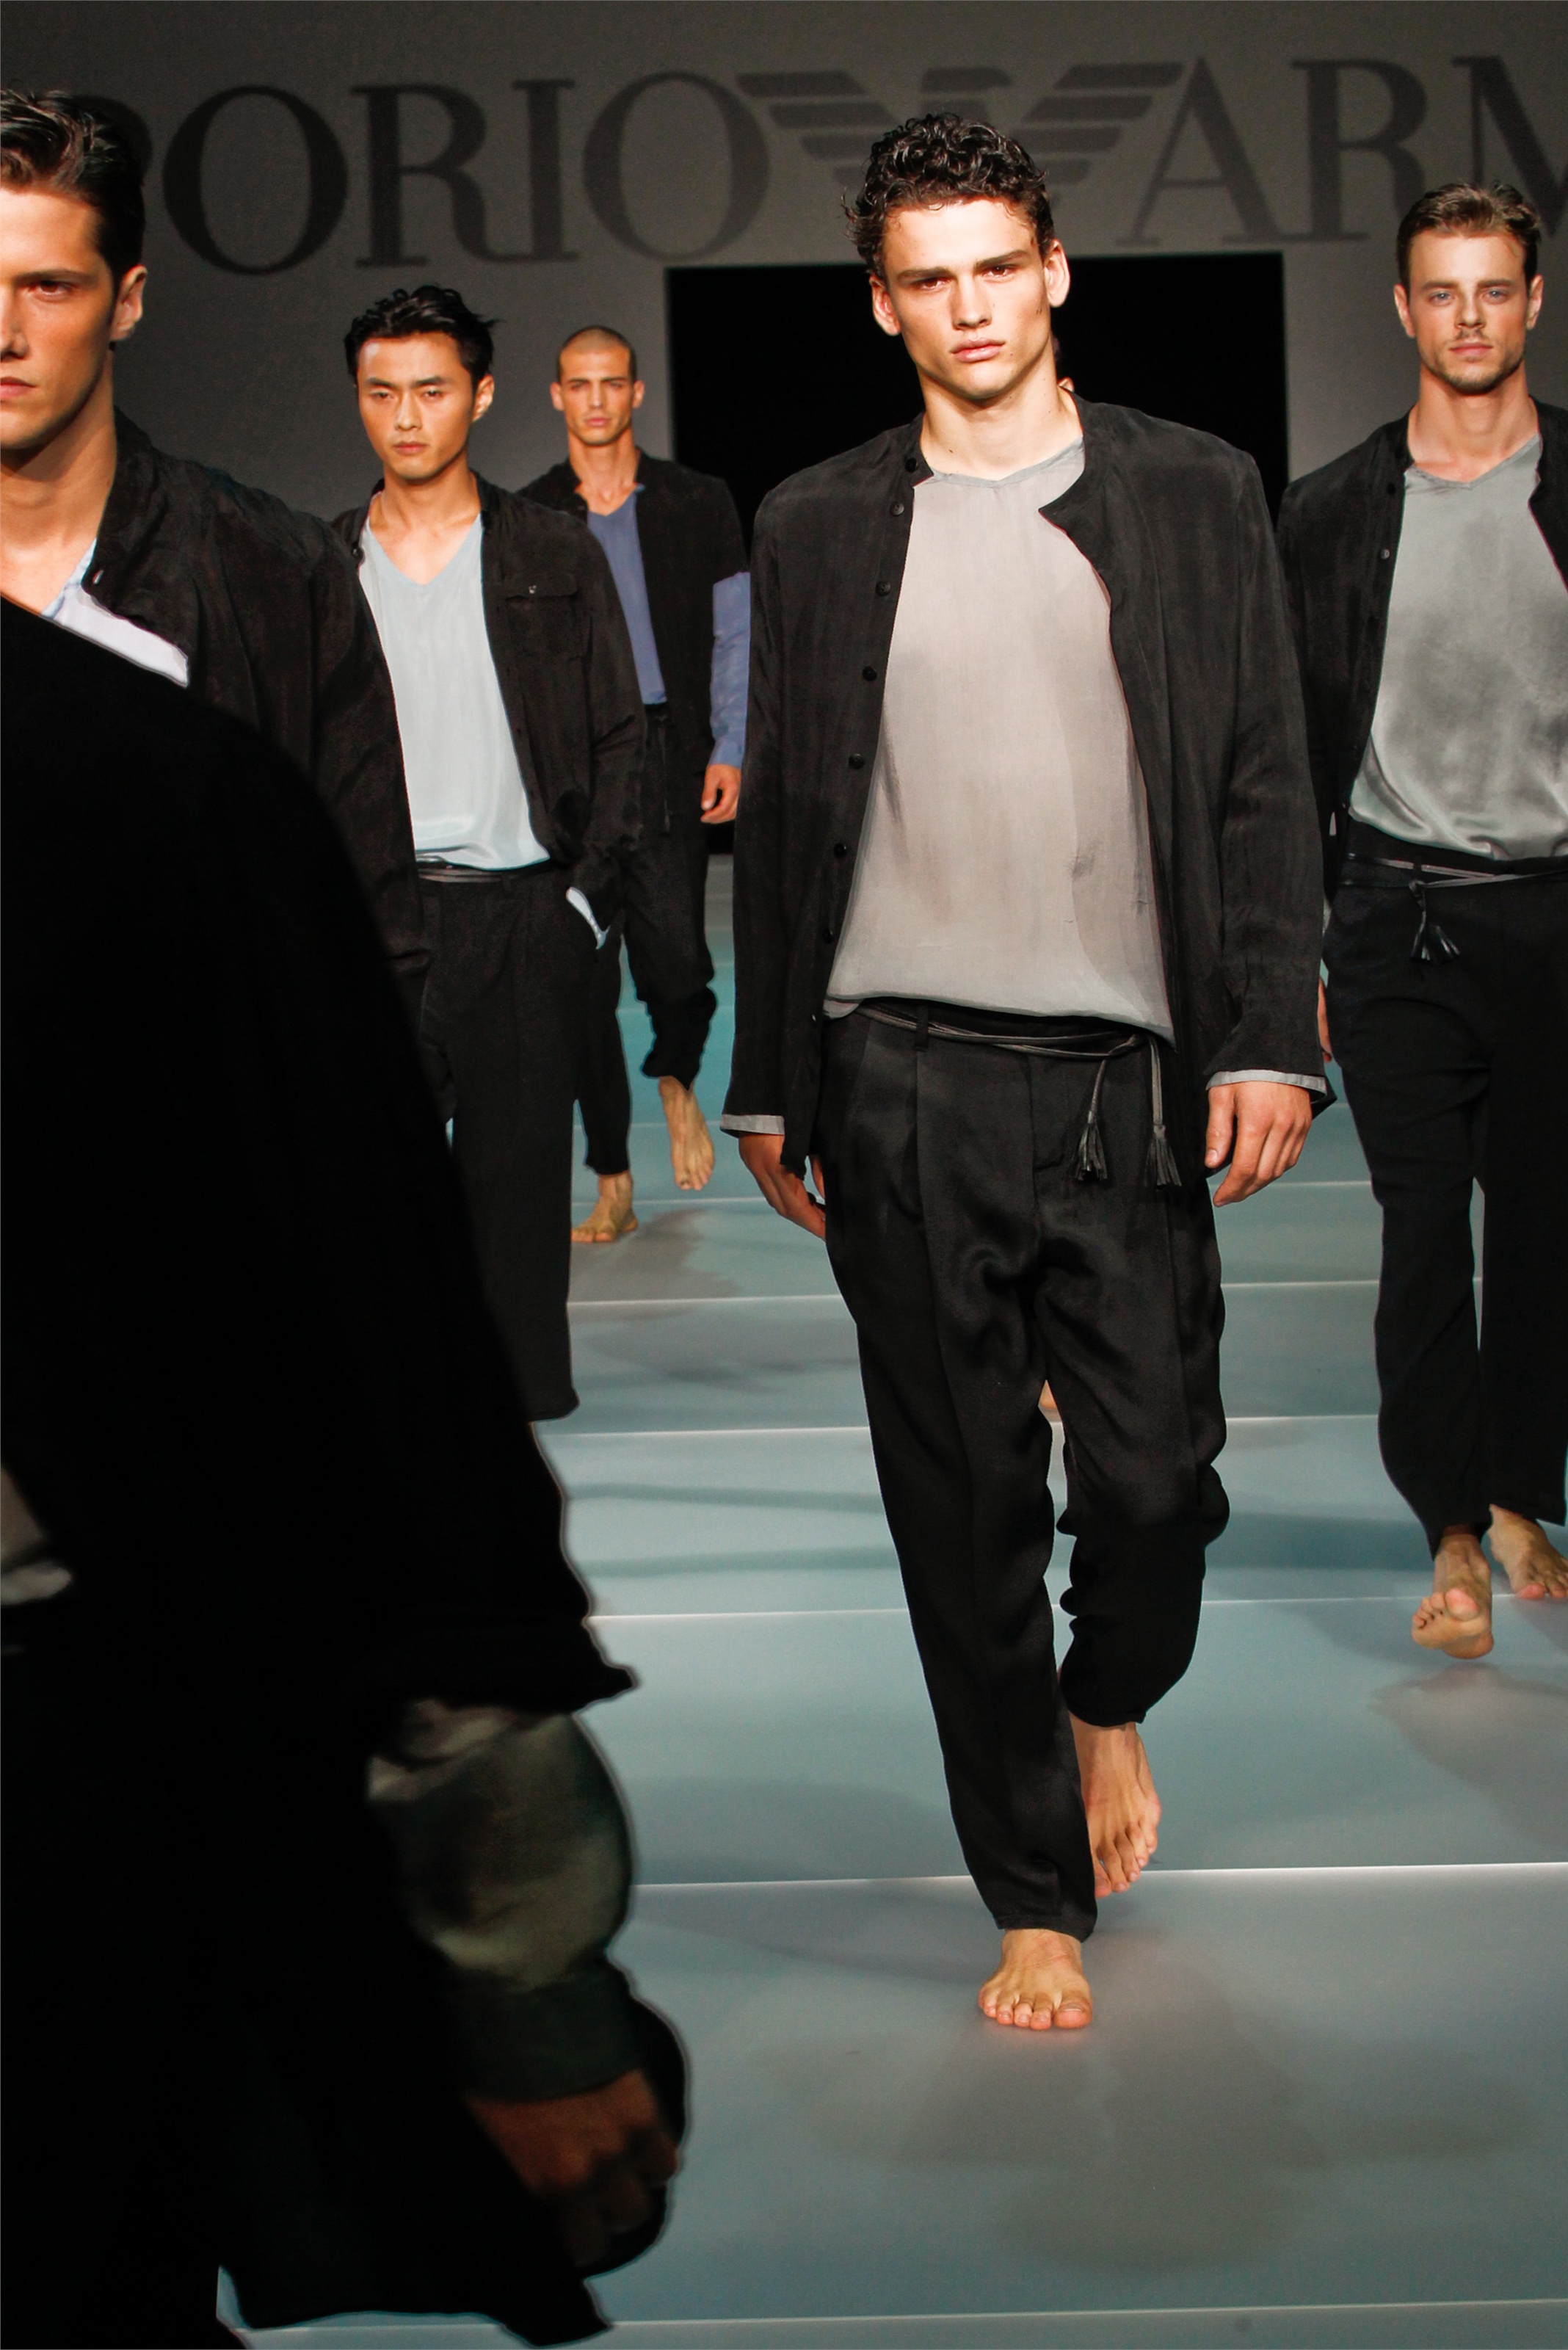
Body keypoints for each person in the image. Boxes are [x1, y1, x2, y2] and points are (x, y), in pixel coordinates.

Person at [1, 598, 682, 2349]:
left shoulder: (129, 798)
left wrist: (522, 1971)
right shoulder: (140, 789)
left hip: (59, 1783)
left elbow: (368, 1370)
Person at [725, 116, 1324, 2031]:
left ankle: (1107, 1697)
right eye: (931, 278)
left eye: (999, 266)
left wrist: (1266, 1026)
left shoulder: (1195, 489)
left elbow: (1263, 769)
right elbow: (789, 803)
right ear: (882, 304)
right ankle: (1032, 1890)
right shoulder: (818, 519)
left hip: (1118, 1080)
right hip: (897, 1073)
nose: (971, 306)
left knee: (1153, 1491)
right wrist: (767, 1076)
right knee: (962, 1509)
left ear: (1055, 270)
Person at [1279, 182, 1568, 1661]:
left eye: (1493, 288)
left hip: (1557, 915)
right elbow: (1281, 756)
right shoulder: (1331, 512)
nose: (1468, 316)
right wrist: (1298, 952)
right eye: (1441, 291)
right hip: (1397, 918)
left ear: (1533, 302)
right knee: (1420, 1234)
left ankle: (1519, 1494)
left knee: (1545, 1233)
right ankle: (1449, 1524)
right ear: (1403, 308)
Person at [0, 90, 426, 1012]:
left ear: (126, 302)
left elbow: (369, 937)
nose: (4, 334)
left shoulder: (276, 575)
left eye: (48, 286)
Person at [335, 286, 643, 1420]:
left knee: (517, 1194)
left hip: (522, 914)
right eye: (381, 393)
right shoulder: (323, 564)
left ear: (482, 394)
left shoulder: (554, 551)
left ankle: (510, 1422)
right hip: (376, 917)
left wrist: (582, 906)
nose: (406, 417)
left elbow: (621, 734)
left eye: (430, 390)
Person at [526, 327, 749, 1239]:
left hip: (666, 748)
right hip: (571, 765)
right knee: (580, 981)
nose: (595, 400)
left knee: (678, 958)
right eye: (578, 385)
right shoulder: (531, 514)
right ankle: (612, 1180)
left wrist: (731, 743)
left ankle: (675, 1074)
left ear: (635, 391)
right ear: (557, 395)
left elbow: (734, 630)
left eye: (610, 383)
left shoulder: (697, 502)